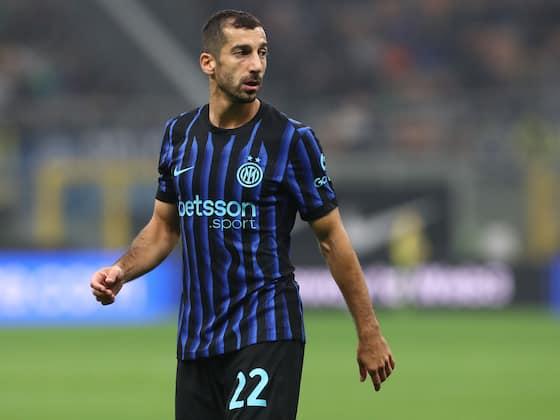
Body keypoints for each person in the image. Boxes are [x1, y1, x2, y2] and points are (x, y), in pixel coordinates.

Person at [90, 9, 395, 420]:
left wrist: (369, 331)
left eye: (262, 52)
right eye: (242, 52)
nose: (256, 65)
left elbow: (332, 238)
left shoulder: (290, 140)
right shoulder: (179, 135)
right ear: (209, 63)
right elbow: (164, 228)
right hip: (197, 342)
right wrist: (121, 271)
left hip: (266, 329)